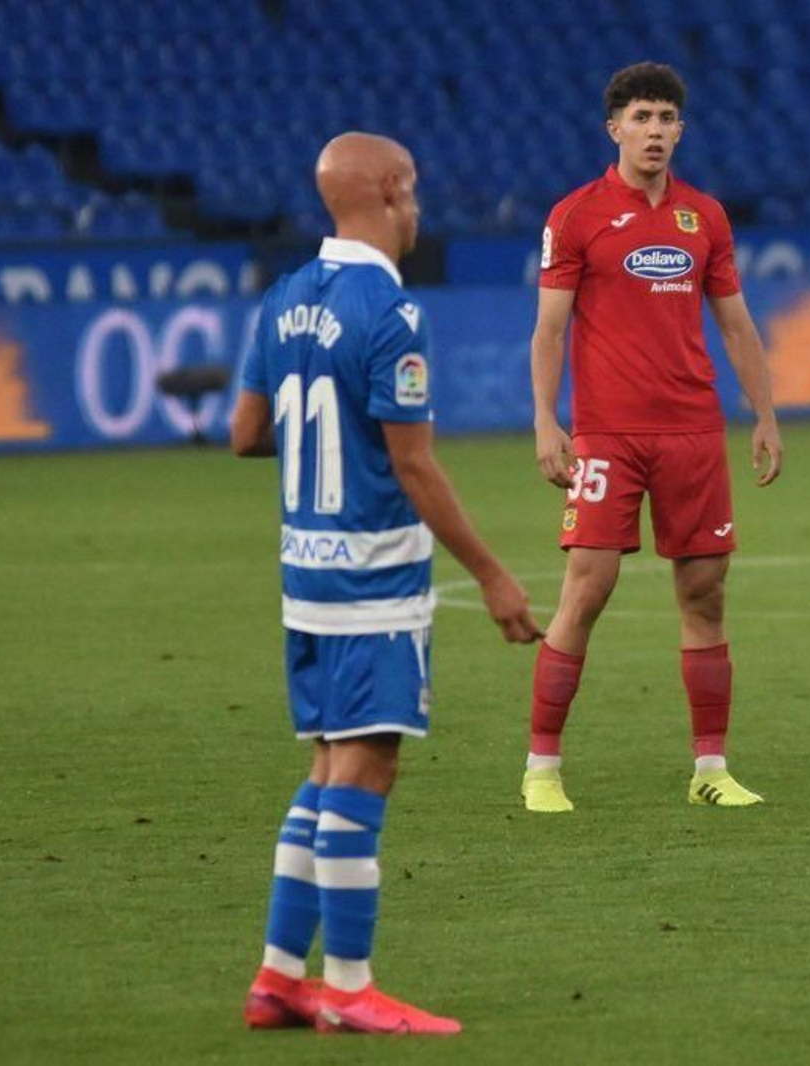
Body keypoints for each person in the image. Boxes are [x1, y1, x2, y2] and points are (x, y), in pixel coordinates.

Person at [230, 132, 542, 1034]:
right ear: (394, 191)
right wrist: (491, 576)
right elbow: (415, 466)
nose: (419, 210)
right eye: (416, 192)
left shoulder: (285, 299)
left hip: (305, 576)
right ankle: (352, 988)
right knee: (367, 766)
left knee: (328, 764)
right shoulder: (390, 312)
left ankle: (280, 978)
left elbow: (247, 434)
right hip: (373, 580)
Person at [524, 62, 784, 813]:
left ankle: (711, 768)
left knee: (705, 594)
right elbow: (549, 327)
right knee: (589, 586)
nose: (656, 131)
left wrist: (763, 412)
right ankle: (542, 767)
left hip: (694, 432)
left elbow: (736, 323)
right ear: (615, 128)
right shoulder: (575, 216)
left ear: (681, 130)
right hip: (607, 433)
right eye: (642, 117)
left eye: (667, 118)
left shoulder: (705, 217)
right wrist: (547, 418)